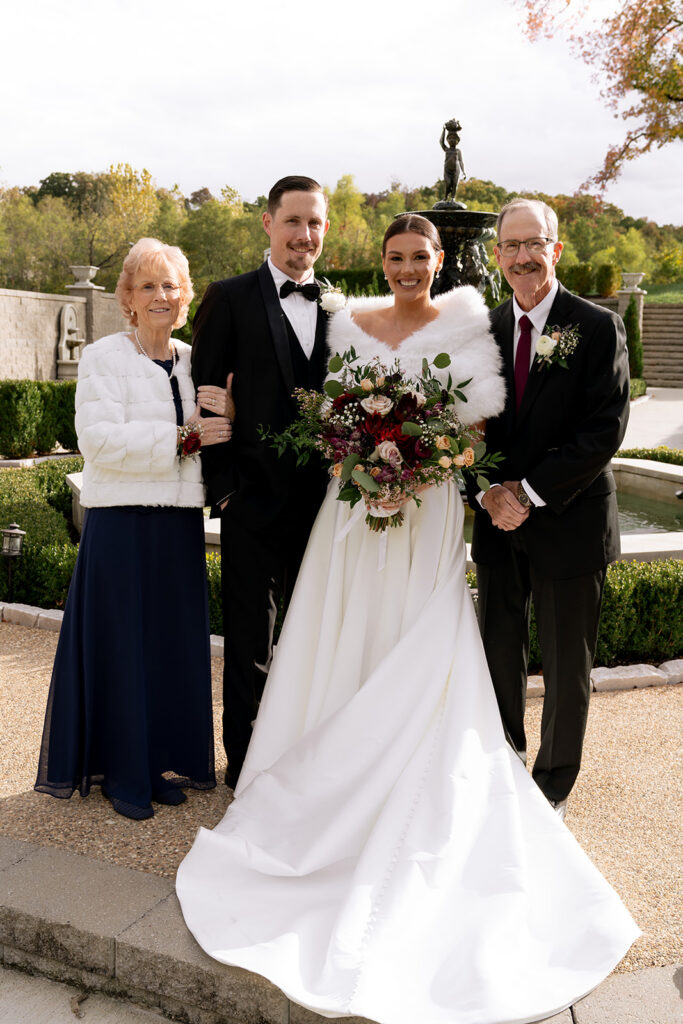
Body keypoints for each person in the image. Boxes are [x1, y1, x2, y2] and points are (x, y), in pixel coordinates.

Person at [177, 215, 638, 1024]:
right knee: (352, 627)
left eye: (419, 257)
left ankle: (538, 782)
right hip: (357, 508)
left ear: (441, 260)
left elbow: (482, 425)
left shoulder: (472, 321)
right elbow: (323, 409)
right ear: (381, 261)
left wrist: (426, 466)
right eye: (394, 257)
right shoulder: (349, 320)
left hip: (430, 510)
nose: (406, 268)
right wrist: (358, 458)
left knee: (473, 643)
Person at [35, 238, 232, 821]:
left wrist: (230, 416)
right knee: (122, 648)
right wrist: (182, 439)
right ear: (127, 297)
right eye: (147, 286)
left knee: (169, 647)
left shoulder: (195, 358)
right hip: (120, 524)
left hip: (178, 523)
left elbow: (217, 432)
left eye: (170, 285)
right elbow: (97, 441)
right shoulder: (103, 357)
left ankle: (159, 763)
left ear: (184, 295)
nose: (160, 295)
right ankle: (123, 772)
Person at [470, 198, 630, 819]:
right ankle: (505, 767)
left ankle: (553, 787)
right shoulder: (480, 332)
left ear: (555, 249)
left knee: (567, 666)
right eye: (510, 246)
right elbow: (464, 428)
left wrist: (528, 492)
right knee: (498, 654)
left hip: (570, 520)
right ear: (497, 255)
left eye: (533, 243)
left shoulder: (596, 326)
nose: (522, 257)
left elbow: (604, 428)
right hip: (497, 524)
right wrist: (487, 491)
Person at [191, 175, 331, 788]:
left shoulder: (340, 306)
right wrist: (224, 491)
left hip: (327, 505)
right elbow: (207, 399)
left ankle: (302, 758)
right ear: (269, 223)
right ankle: (245, 768)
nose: (304, 234)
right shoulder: (229, 298)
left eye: (315, 223)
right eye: (293, 220)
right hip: (250, 502)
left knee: (313, 637)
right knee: (251, 641)